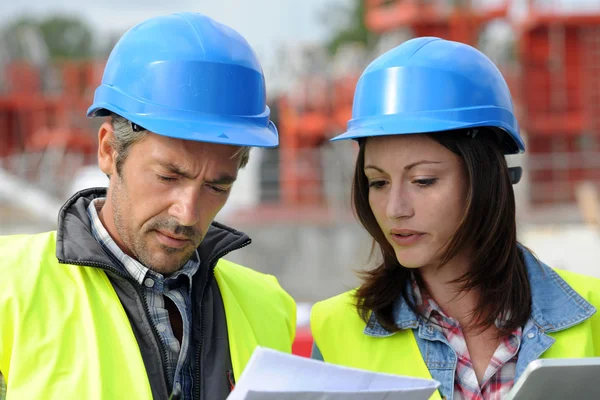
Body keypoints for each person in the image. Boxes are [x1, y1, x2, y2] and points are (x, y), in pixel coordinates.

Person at [0, 13, 296, 400]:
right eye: (168, 177)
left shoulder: (270, 307)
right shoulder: (9, 288)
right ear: (109, 150)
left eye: (216, 186)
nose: (187, 213)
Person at [310, 37, 600, 400]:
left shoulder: (594, 314)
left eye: (423, 181)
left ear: (485, 178)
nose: (395, 208)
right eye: (378, 182)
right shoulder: (337, 331)